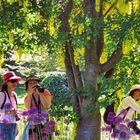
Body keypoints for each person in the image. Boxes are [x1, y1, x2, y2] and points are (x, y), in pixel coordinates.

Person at [23, 75, 52, 140]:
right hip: (33, 123)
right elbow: (28, 108)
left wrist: (40, 94)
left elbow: (47, 106)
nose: (33, 84)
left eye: (35, 82)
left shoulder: (45, 92)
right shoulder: (27, 97)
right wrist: (30, 94)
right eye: (30, 83)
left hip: (44, 121)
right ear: (27, 86)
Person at [0, 71, 22, 140]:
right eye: (12, 81)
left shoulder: (14, 95)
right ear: (6, 82)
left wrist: (16, 126)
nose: (15, 83)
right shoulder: (2, 95)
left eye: (16, 81)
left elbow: (14, 112)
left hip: (13, 124)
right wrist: (9, 112)